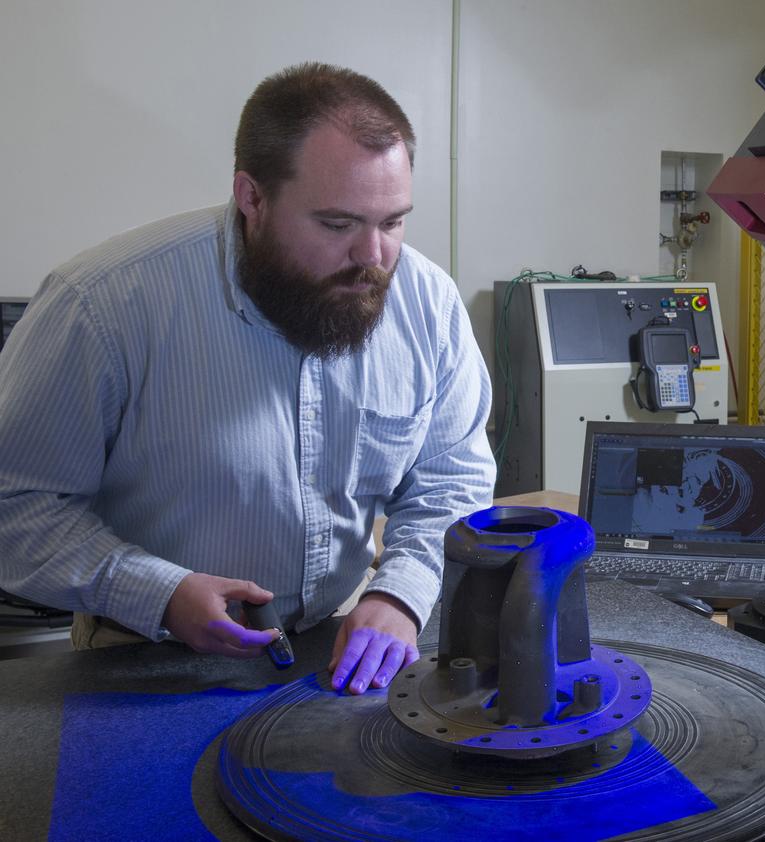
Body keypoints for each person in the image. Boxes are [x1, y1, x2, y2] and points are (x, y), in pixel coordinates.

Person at [0, 63, 495, 695]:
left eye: (393, 222)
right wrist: (159, 592)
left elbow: (449, 475)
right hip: (143, 658)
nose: (374, 260)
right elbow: (17, 506)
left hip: (334, 647)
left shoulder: (428, 302)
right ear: (252, 197)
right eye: (338, 225)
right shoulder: (102, 305)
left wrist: (401, 594)